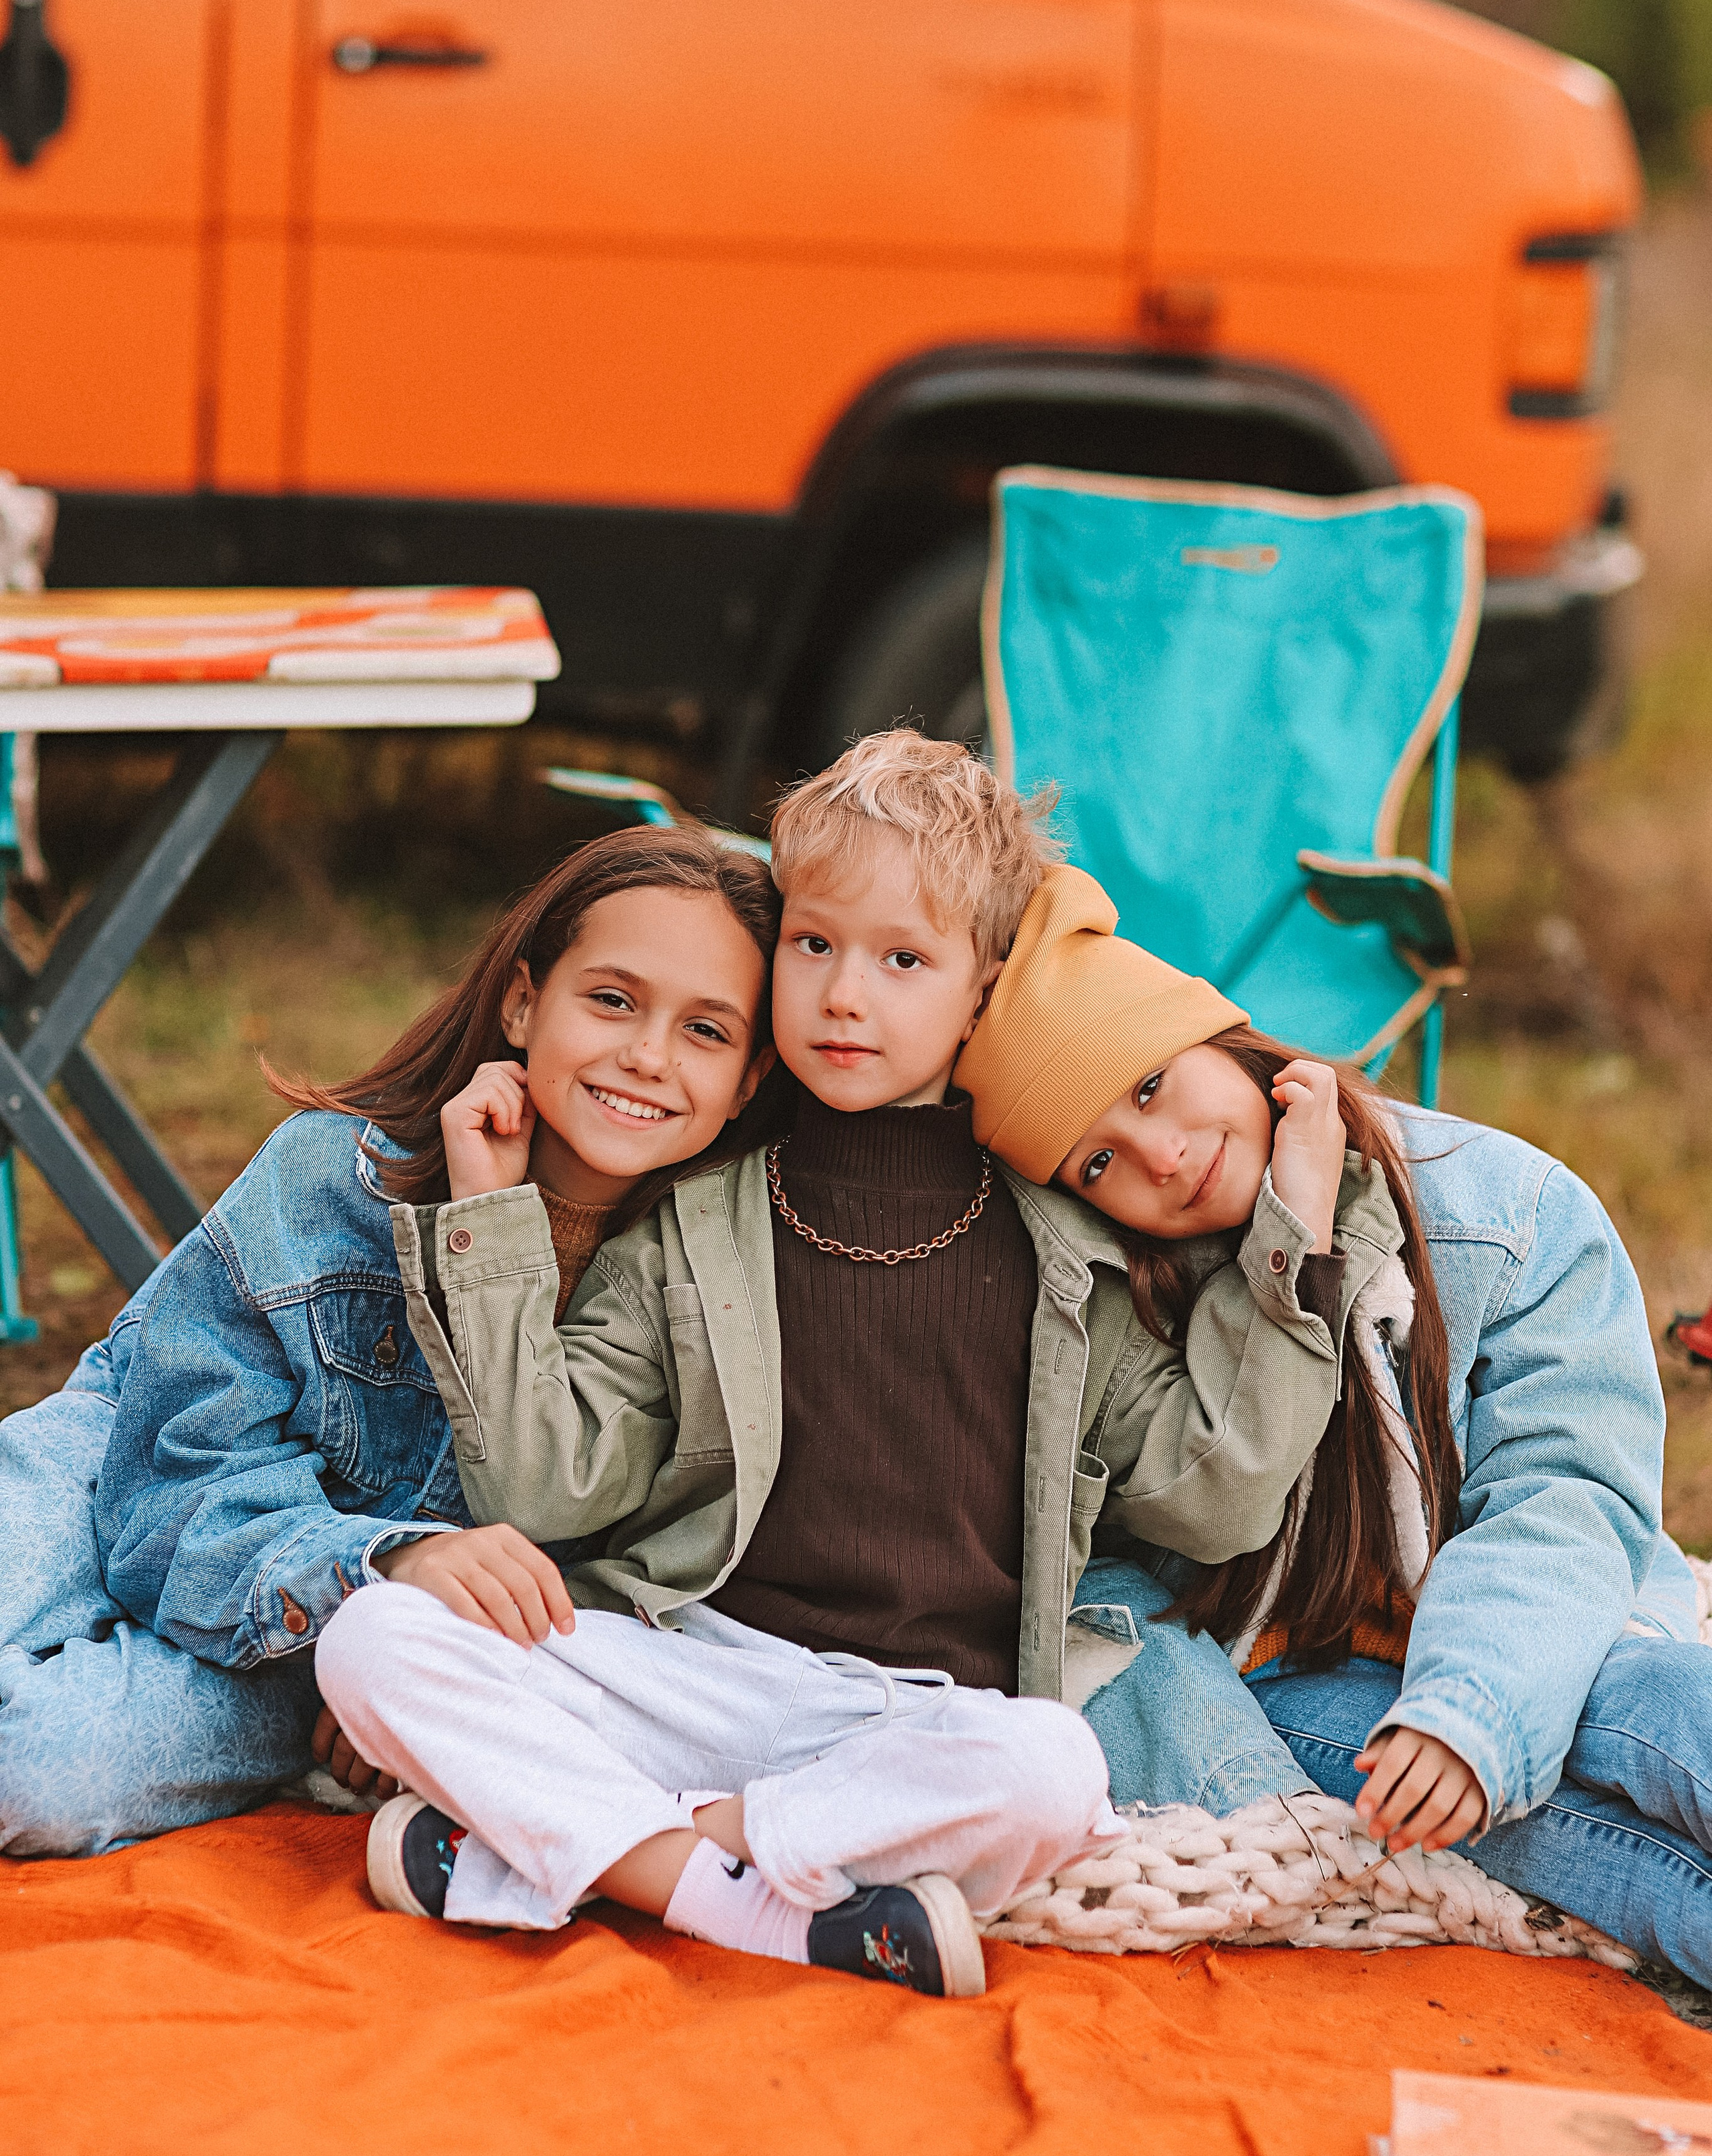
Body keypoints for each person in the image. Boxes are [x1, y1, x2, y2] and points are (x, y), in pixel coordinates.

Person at [315, 731, 1361, 1998]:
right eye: (813, 946)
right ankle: (748, 1903)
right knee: (379, 1635)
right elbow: (546, 1493)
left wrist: (1291, 1250)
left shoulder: (1069, 1257)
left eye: (903, 960)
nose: (844, 995)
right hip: (699, 1666)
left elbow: (1217, 1499)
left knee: (1052, 1773)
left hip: (916, 1721)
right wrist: (490, 1229)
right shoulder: (698, 1217)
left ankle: (562, 1851)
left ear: (982, 994)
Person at [958, 864, 1712, 1989]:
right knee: (1564, 1844)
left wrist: (1473, 1710)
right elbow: (1201, 1509)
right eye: (1099, 1160)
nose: (1158, 1155)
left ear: (1224, 1037)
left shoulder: (1507, 1216)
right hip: (1291, 1669)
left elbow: (1566, 1494)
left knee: (1660, 1706)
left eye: (1154, 1084)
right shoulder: (1121, 1305)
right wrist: (1289, 1252)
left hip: (1524, 1624)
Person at [0, 825, 782, 1856]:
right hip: (135, 1480)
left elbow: (620, 1576)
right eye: (613, 999)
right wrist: (381, 1565)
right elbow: (167, 1484)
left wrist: (413, 1678)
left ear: (753, 1078)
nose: (648, 1054)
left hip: (309, 1648)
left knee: (35, 1770)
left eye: (707, 1031)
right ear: (522, 1000)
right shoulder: (338, 1176)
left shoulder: (703, 1290)